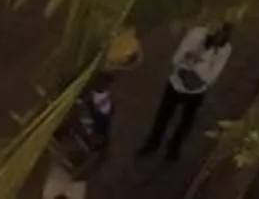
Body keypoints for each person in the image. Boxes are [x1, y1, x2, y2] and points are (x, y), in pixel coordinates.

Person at [134, 21, 234, 164]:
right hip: (177, 83)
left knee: (186, 122)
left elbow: (213, 76)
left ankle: (174, 148)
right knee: (163, 116)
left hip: (197, 90)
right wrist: (191, 64)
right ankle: (153, 143)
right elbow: (176, 59)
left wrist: (194, 69)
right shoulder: (195, 34)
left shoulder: (225, 49)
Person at [38, 73, 117, 198]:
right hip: (65, 163)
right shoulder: (71, 103)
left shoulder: (100, 105)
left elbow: (102, 141)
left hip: (76, 166)